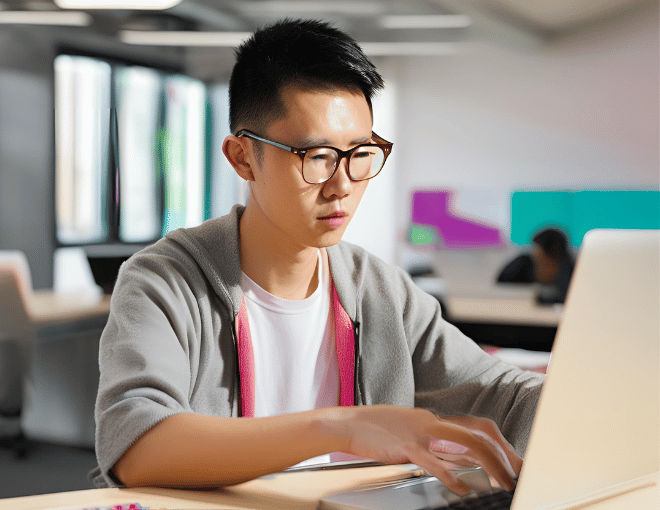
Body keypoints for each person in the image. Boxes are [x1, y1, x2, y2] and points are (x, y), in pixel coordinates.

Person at [91, 19, 543, 495]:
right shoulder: (165, 280)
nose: (343, 184)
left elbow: (506, 396)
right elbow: (136, 445)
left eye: (360, 153)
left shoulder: (379, 290)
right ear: (243, 158)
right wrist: (340, 427)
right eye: (316, 155)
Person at [497, 228, 574, 303]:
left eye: (543, 263)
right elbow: (497, 289)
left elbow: (568, 298)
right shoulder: (522, 264)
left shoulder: (569, 272)